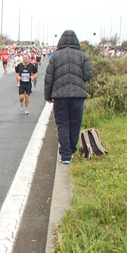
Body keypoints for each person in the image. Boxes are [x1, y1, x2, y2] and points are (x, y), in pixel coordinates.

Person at [44, 30, 93, 165]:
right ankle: (71, 150)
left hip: (60, 96)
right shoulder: (82, 56)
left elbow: (49, 79)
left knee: (62, 124)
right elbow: (88, 75)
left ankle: (65, 155)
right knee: (75, 123)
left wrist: (48, 96)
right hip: (78, 96)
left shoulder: (55, 56)